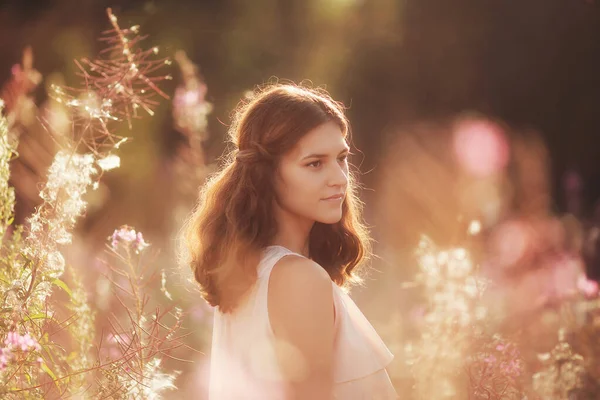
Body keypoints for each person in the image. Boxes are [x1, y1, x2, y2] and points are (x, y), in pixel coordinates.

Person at [181, 83, 396, 399]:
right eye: (314, 163)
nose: (339, 177)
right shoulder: (298, 279)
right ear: (266, 173)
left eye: (342, 158)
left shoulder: (252, 271)